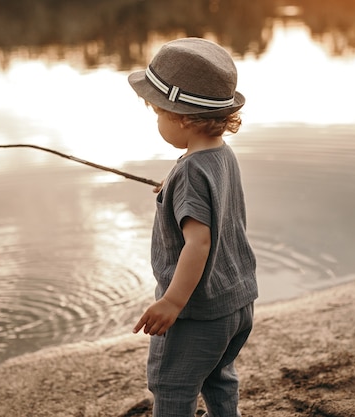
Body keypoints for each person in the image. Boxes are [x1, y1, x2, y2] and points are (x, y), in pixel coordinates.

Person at [128, 37, 258, 417]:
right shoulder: (222, 155)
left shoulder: (189, 170)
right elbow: (212, 205)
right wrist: (171, 190)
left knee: (172, 386)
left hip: (198, 311)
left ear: (182, 116)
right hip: (237, 301)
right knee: (218, 376)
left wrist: (172, 301)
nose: (156, 121)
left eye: (157, 113)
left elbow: (198, 242)